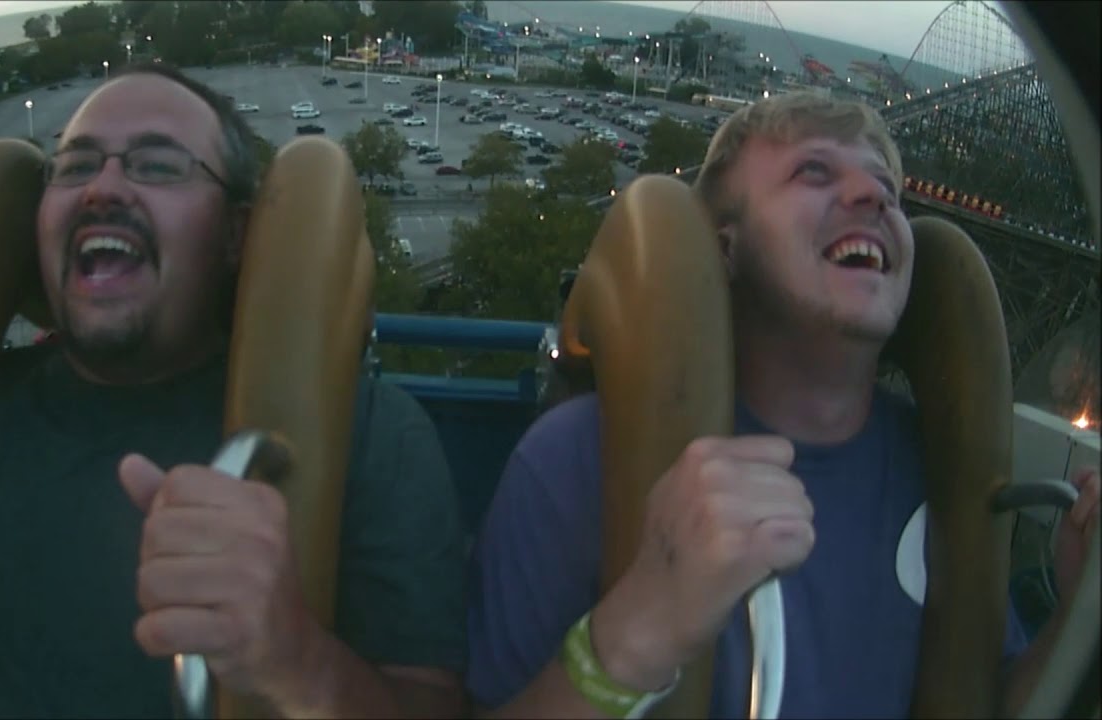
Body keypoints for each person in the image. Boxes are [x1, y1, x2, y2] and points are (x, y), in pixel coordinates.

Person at [0, 63, 467, 718]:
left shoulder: (367, 435)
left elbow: (433, 705)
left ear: (234, 236)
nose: (101, 189)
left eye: (159, 166)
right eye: (75, 166)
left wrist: (296, 657)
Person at [466, 92, 1101, 718]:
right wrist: (639, 627)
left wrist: (1077, 614)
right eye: (813, 172)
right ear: (723, 247)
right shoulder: (574, 459)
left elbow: (992, 699)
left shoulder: (945, 467)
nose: (872, 197)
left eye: (888, 189)